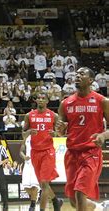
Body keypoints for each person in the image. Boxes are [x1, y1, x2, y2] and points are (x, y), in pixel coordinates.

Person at [57, 67, 109, 211]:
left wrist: (103, 135)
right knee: (74, 201)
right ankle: (99, 208)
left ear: (91, 80)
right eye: (77, 74)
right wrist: (60, 130)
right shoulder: (65, 103)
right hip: (72, 154)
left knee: (80, 193)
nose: (77, 75)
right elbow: (60, 131)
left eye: (82, 74)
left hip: (91, 153)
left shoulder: (102, 101)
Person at [23, 92, 62, 211]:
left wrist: (55, 133)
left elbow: (61, 133)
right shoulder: (29, 115)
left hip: (48, 151)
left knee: (44, 183)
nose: (40, 100)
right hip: (35, 152)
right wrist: (29, 132)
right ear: (36, 101)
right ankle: (56, 201)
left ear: (47, 101)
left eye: (43, 98)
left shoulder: (53, 115)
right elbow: (23, 134)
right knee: (42, 183)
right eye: (38, 98)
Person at [20, 133, 40, 211]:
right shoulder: (26, 138)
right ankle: (35, 197)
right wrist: (24, 156)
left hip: (36, 163)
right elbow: (21, 151)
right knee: (26, 186)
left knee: (34, 185)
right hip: (28, 163)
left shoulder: (40, 137)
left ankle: (33, 204)